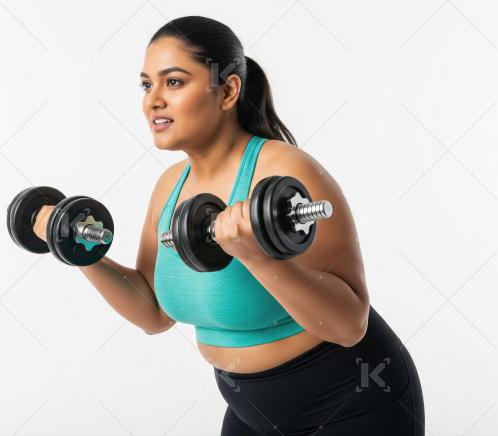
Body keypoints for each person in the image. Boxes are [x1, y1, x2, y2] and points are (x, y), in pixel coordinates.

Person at [33, 15, 425, 436]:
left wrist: (258, 257)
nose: (153, 101)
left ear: (228, 91)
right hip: (252, 413)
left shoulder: (288, 171)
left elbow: (350, 326)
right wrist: (78, 251)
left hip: (355, 405)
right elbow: (154, 314)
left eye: (174, 82)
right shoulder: (169, 188)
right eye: (147, 85)